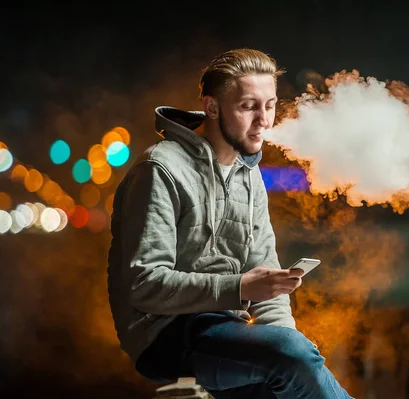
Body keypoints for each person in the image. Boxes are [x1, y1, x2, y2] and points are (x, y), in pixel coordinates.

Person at [107, 48, 352, 399]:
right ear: (212, 107)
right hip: (165, 336)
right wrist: (241, 291)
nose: (264, 120)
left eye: (269, 106)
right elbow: (144, 285)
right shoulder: (160, 169)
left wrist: (285, 345)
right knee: (291, 355)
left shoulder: (249, 177)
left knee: (292, 363)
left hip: (227, 333)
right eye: (248, 106)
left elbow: (266, 283)